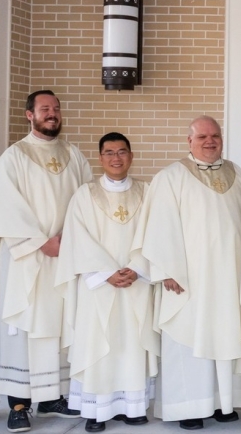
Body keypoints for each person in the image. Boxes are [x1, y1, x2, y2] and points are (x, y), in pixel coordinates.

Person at [135, 115, 241, 430]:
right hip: (188, 278)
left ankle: (221, 402)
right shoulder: (171, 177)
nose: (210, 141)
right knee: (188, 338)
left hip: (231, 275)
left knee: (226, 333)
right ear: (189, 141)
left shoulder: (239, 175)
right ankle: (187, 407)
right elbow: (159, 226)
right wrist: (166, 270)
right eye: (202, 137)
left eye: (215, 135)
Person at [0, 90, 92, 433]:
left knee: (59, 324)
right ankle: (18, 404)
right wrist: (40, 242)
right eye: (45, 109)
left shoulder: (73, 154)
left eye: (56, 109)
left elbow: (87, 200)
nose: (52, 114)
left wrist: (72, 239)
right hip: (28, 259)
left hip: (64, 255)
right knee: (26, 329)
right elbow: (4, 207)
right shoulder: (14, 157)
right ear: (29, 115)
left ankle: (52, 396)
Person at [57, 132, 159, 432]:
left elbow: (157, 233)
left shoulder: (148, 192)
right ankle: (95, 410)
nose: (117, 158)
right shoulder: (84, 194)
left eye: (122, 152)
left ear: (131, 155)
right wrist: (105, 272)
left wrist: (137, 268)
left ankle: (132, 406)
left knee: (131, 343)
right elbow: (78, 238)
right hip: (98, 285)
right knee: (97, 343)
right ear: (100, 158)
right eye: (110, 152)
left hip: (136, 282)